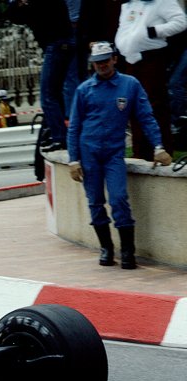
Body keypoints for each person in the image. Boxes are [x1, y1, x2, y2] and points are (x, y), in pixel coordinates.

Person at [67, 41, 173, 270]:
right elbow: (74, 126)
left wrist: (158, 147)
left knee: (118, 199)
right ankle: (106, 248)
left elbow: (145, 117)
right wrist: (73, 160)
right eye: (97, 62)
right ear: (92, 64)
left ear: (114, 59)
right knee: (95, 202)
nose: (102, 65)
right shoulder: (84, 90)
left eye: (106, 60)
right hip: (89, 152)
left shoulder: (130, 85)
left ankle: (127, 252)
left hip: (114, 152)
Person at [115, 0, 186, 160]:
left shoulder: (162, 1)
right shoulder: (128, 5)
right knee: (133, 105)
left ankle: (162, 150)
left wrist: (153, 31)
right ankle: (140, 151)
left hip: (152, 58)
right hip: (130, 60)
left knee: (155, 105)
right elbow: (123, 28)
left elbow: (181, 22)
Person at [9, 0, 78, 151]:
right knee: (56, 93)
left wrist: (18, 4)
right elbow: (17, 16)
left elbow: (17, 16)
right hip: (65, 44)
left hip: (56, 45)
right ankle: (62, 135)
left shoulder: (38, 5)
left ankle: (60, 137)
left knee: (47, 96)